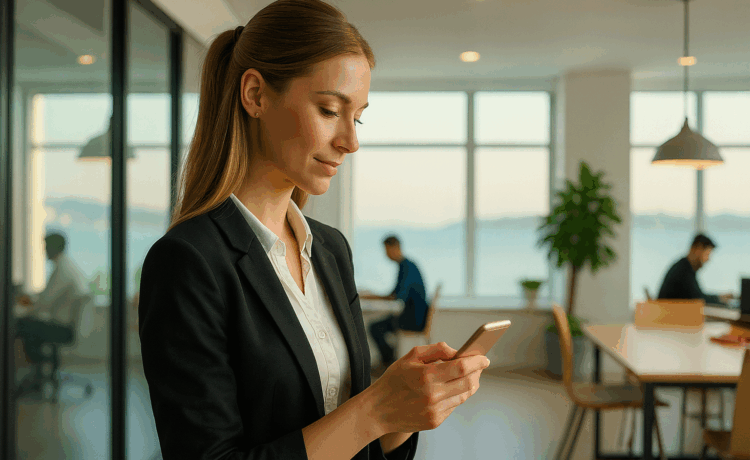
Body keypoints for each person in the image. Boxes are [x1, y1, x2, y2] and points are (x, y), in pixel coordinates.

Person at [137, 2, 490, 459]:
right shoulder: (187, 262)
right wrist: (375, 409)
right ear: (256, 95)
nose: (351, 140)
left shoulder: (329, 249)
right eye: (329, 110)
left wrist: (404, 412)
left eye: (357, 116)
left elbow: (361, 442)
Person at [16, 233, 87, 370]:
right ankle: (41, 370)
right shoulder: (65, 266)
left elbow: (44, 303)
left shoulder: (62, 270)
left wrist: (21, 309)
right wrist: (31, 299)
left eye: (46, 246)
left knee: (20, 324)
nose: (44, 250)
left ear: (53, 247)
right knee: (28, 323)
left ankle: (35, 369)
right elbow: (47, 295)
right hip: (66, 326)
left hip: (62, 329)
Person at [362, 235, 429, 370]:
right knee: (378, 326)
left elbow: (396, 297)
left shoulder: (406, 267)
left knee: (375, 328)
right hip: (413, 316)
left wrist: (372, 297)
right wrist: (373, 296)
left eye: (386, 250)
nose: (386, 254)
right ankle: (390, 361)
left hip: (412, 320)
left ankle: (389, 363)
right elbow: (395, 294)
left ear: (395, 248)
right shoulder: (407, 265)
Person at [657, 233, 734, 305]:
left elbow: (697, 295)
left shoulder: (683, 266)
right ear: (698, 249)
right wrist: (719, 299)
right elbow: (698, 299)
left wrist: (719, 297)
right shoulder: (683, 271)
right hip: (670, 315)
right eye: (707, 254)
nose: (708, 259)